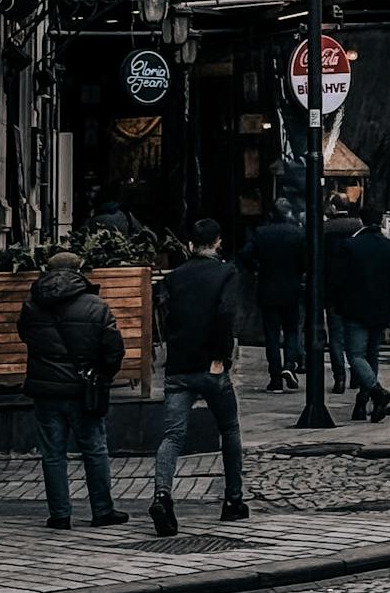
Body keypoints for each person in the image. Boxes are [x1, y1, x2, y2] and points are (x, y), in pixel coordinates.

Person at [150, 218, 249, 536]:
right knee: (229, 430)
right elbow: (226, 313)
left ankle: (162, 496)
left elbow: (165, 316)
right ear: (218, 243)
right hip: (211, 366)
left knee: (172, 436)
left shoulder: (175, 277)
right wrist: (220, 356)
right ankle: (233, 500)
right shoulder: (227, 272)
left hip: (179, 365)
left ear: (190, 245)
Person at [17, 249, 127, 530]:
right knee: (94, 449)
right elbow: (114, 350)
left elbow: (25, 336)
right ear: (80, 270)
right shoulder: (95, 305)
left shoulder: (32, 304)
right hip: (82, 389)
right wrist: (102, 376)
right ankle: (102, 510)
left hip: (45, 391)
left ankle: (60, 515)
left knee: (53, 454)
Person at [330, 206, 390, 421]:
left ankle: (376, 391)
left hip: (355, 308)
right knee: (371, 354)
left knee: (355, 354)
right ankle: (364, 403)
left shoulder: (350, 247)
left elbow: (338, 279)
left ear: (361, 221)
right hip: (381, 309)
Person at [241, 197, 305, 392]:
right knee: (292, 331)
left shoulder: (261, 233)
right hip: (292, 288)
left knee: (271, 335)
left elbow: (245, 255)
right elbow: (305, 261)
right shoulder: (298, 234)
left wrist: (256, 268)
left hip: (268, 287)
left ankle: (275, 377)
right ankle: (289, 365)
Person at [322, 194, 363, 393]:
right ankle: (357, 375)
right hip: (355, 289)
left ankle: (339, 378)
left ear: (333, 207)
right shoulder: (358, 227)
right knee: (353, 335)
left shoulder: (325, 228)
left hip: (332, 288)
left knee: (336, 337)